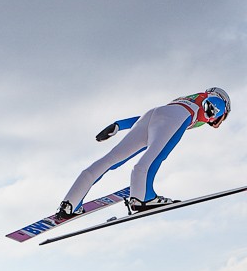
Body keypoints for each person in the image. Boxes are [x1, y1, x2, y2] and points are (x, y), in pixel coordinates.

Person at [55, 87, 231, 220]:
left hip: (152, 115)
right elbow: (213, 103)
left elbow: (156, 118)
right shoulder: (213, 101)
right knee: (154, 157)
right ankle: (142, 198)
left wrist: (119, 125)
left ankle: (70, 203)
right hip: (177, 117)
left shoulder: (189, 99)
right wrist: (215, 109)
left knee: (111, 159)